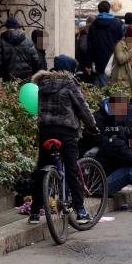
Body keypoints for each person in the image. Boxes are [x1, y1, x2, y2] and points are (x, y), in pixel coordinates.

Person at [28, 68, 98, 224]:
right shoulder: (69, 83)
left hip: (46, 131)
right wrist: (92, 126)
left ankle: (34, 212)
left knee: (42, 169)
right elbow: (82, 107)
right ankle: (80, 212)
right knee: (72, 169)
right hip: (66, 132)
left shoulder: (42, 84)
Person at [0, 16, 44, 81]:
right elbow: (36, 60)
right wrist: (33, 74)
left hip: (8, 79)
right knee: (25, 91)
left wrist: (3, 74)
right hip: (26, 78)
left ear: (7, 26)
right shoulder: (28, 40)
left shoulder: (0, 41)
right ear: (17, 26)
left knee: (10, 91)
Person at [86, 1, 123, 86]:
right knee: (115, 89)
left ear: (98, 10)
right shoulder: (116, 23)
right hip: (114, 60)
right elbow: (121, 43)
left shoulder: (93, 25)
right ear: (109, 9)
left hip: (99, 61)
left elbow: (90, 46)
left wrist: (88, 64)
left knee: (103, 88)